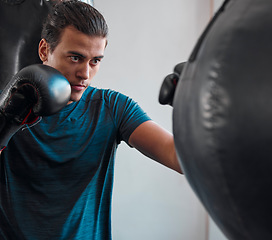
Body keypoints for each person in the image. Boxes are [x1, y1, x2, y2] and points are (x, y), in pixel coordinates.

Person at [0, 1, 182, 239]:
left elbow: (177, 158)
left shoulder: (113, 108)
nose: (85, 74)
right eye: (75, 58)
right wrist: (7, 124)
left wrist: (192, 108)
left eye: (95, 60)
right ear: (45, 50)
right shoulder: (9, 104)